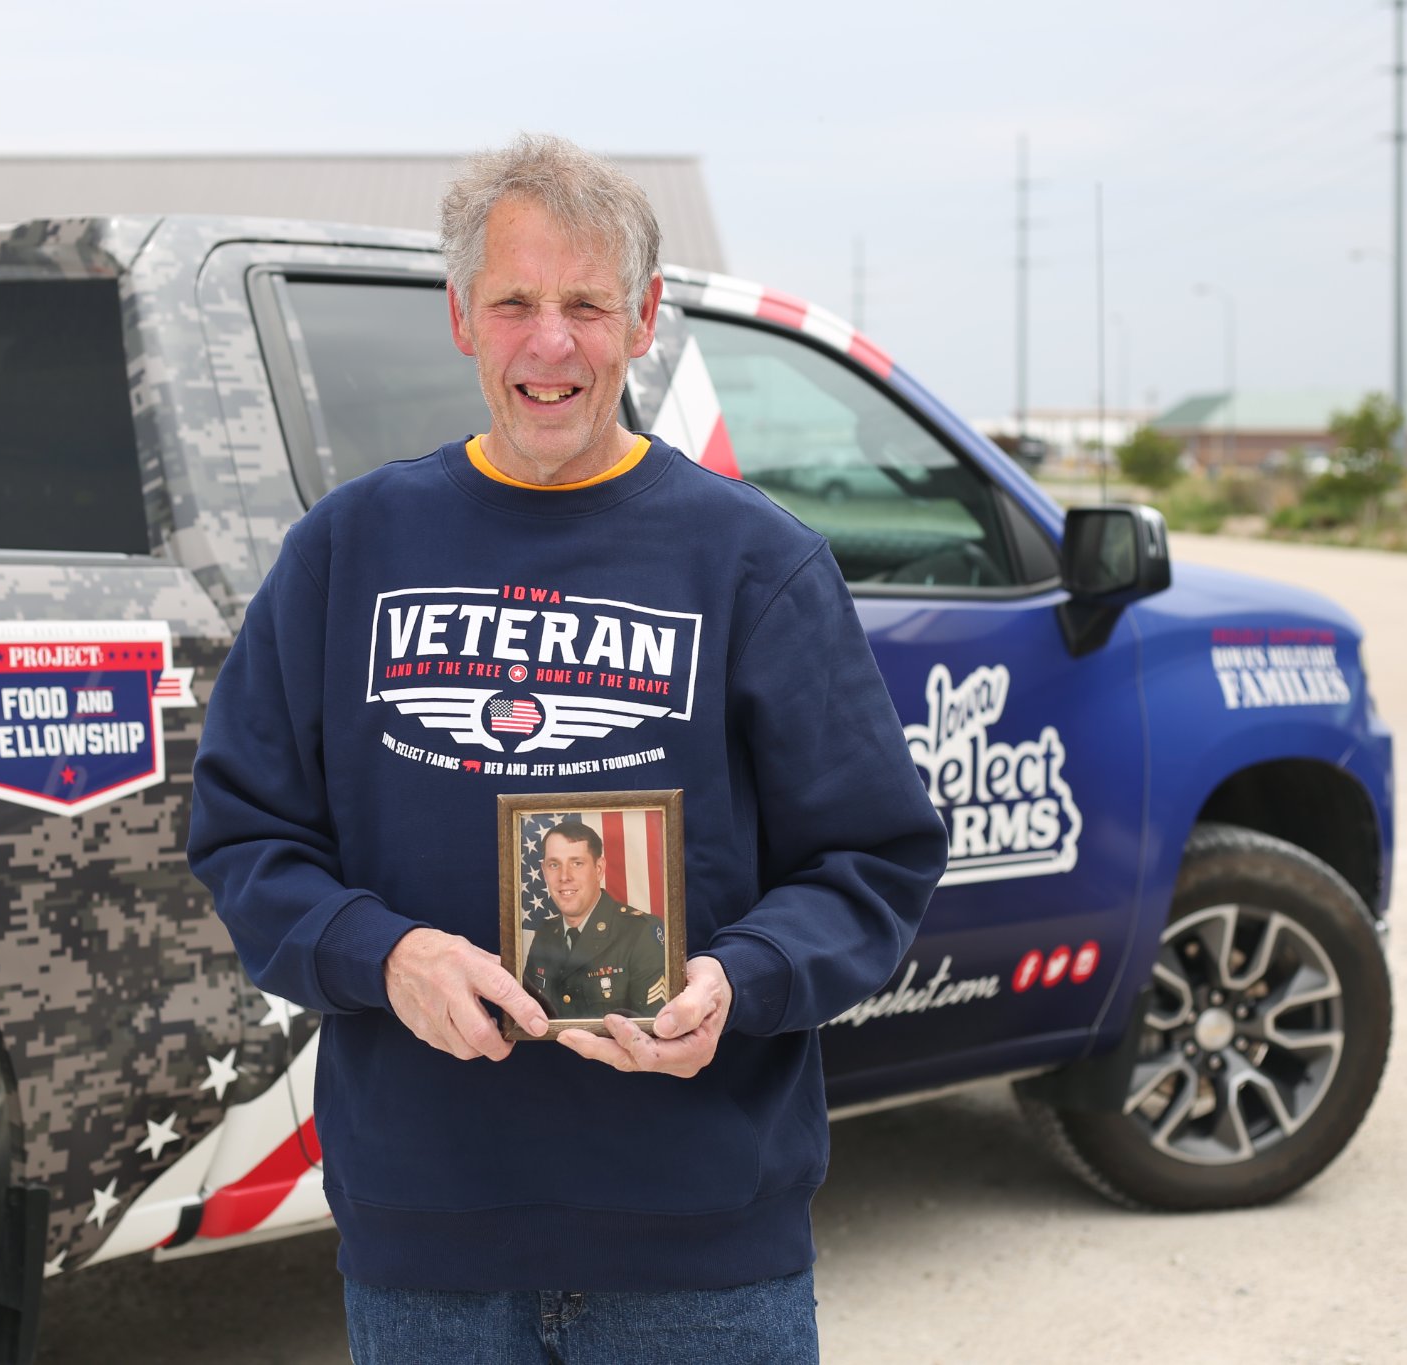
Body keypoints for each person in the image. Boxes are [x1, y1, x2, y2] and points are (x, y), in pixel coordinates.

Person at [189, 132, 948, 1364]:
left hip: (699, 1247)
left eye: (587, 304)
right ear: (460, 319)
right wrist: (386, 957)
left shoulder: (753, 561)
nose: (551, 344)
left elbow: (871, 860)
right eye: (515, 304)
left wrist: (738, 980)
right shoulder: (349, 550)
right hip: (427, 1243)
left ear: (643, 318)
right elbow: (246, 835)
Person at [523, 819, 667, 1020]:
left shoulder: (640, 932)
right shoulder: (545, 933)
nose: (564, 876)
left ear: (599, 869)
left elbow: (654, 1025)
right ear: (544, 870)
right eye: (554, 864)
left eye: (577, 863)